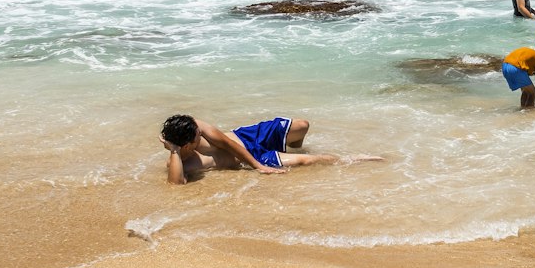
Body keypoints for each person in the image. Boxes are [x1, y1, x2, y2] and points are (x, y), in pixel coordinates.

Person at [160, 113, 378, 184]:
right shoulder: (180, 161)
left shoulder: (197, 126)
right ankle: (351, 158)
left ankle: (293, 147)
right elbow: (176, 185)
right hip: (254, 155)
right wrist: (174, 151)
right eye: (196, 135)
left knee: (302, 125)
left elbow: (230, 144)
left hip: (247, 138)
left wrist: (257, 167)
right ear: (186, 144)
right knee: (307, 161)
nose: (200, 131)